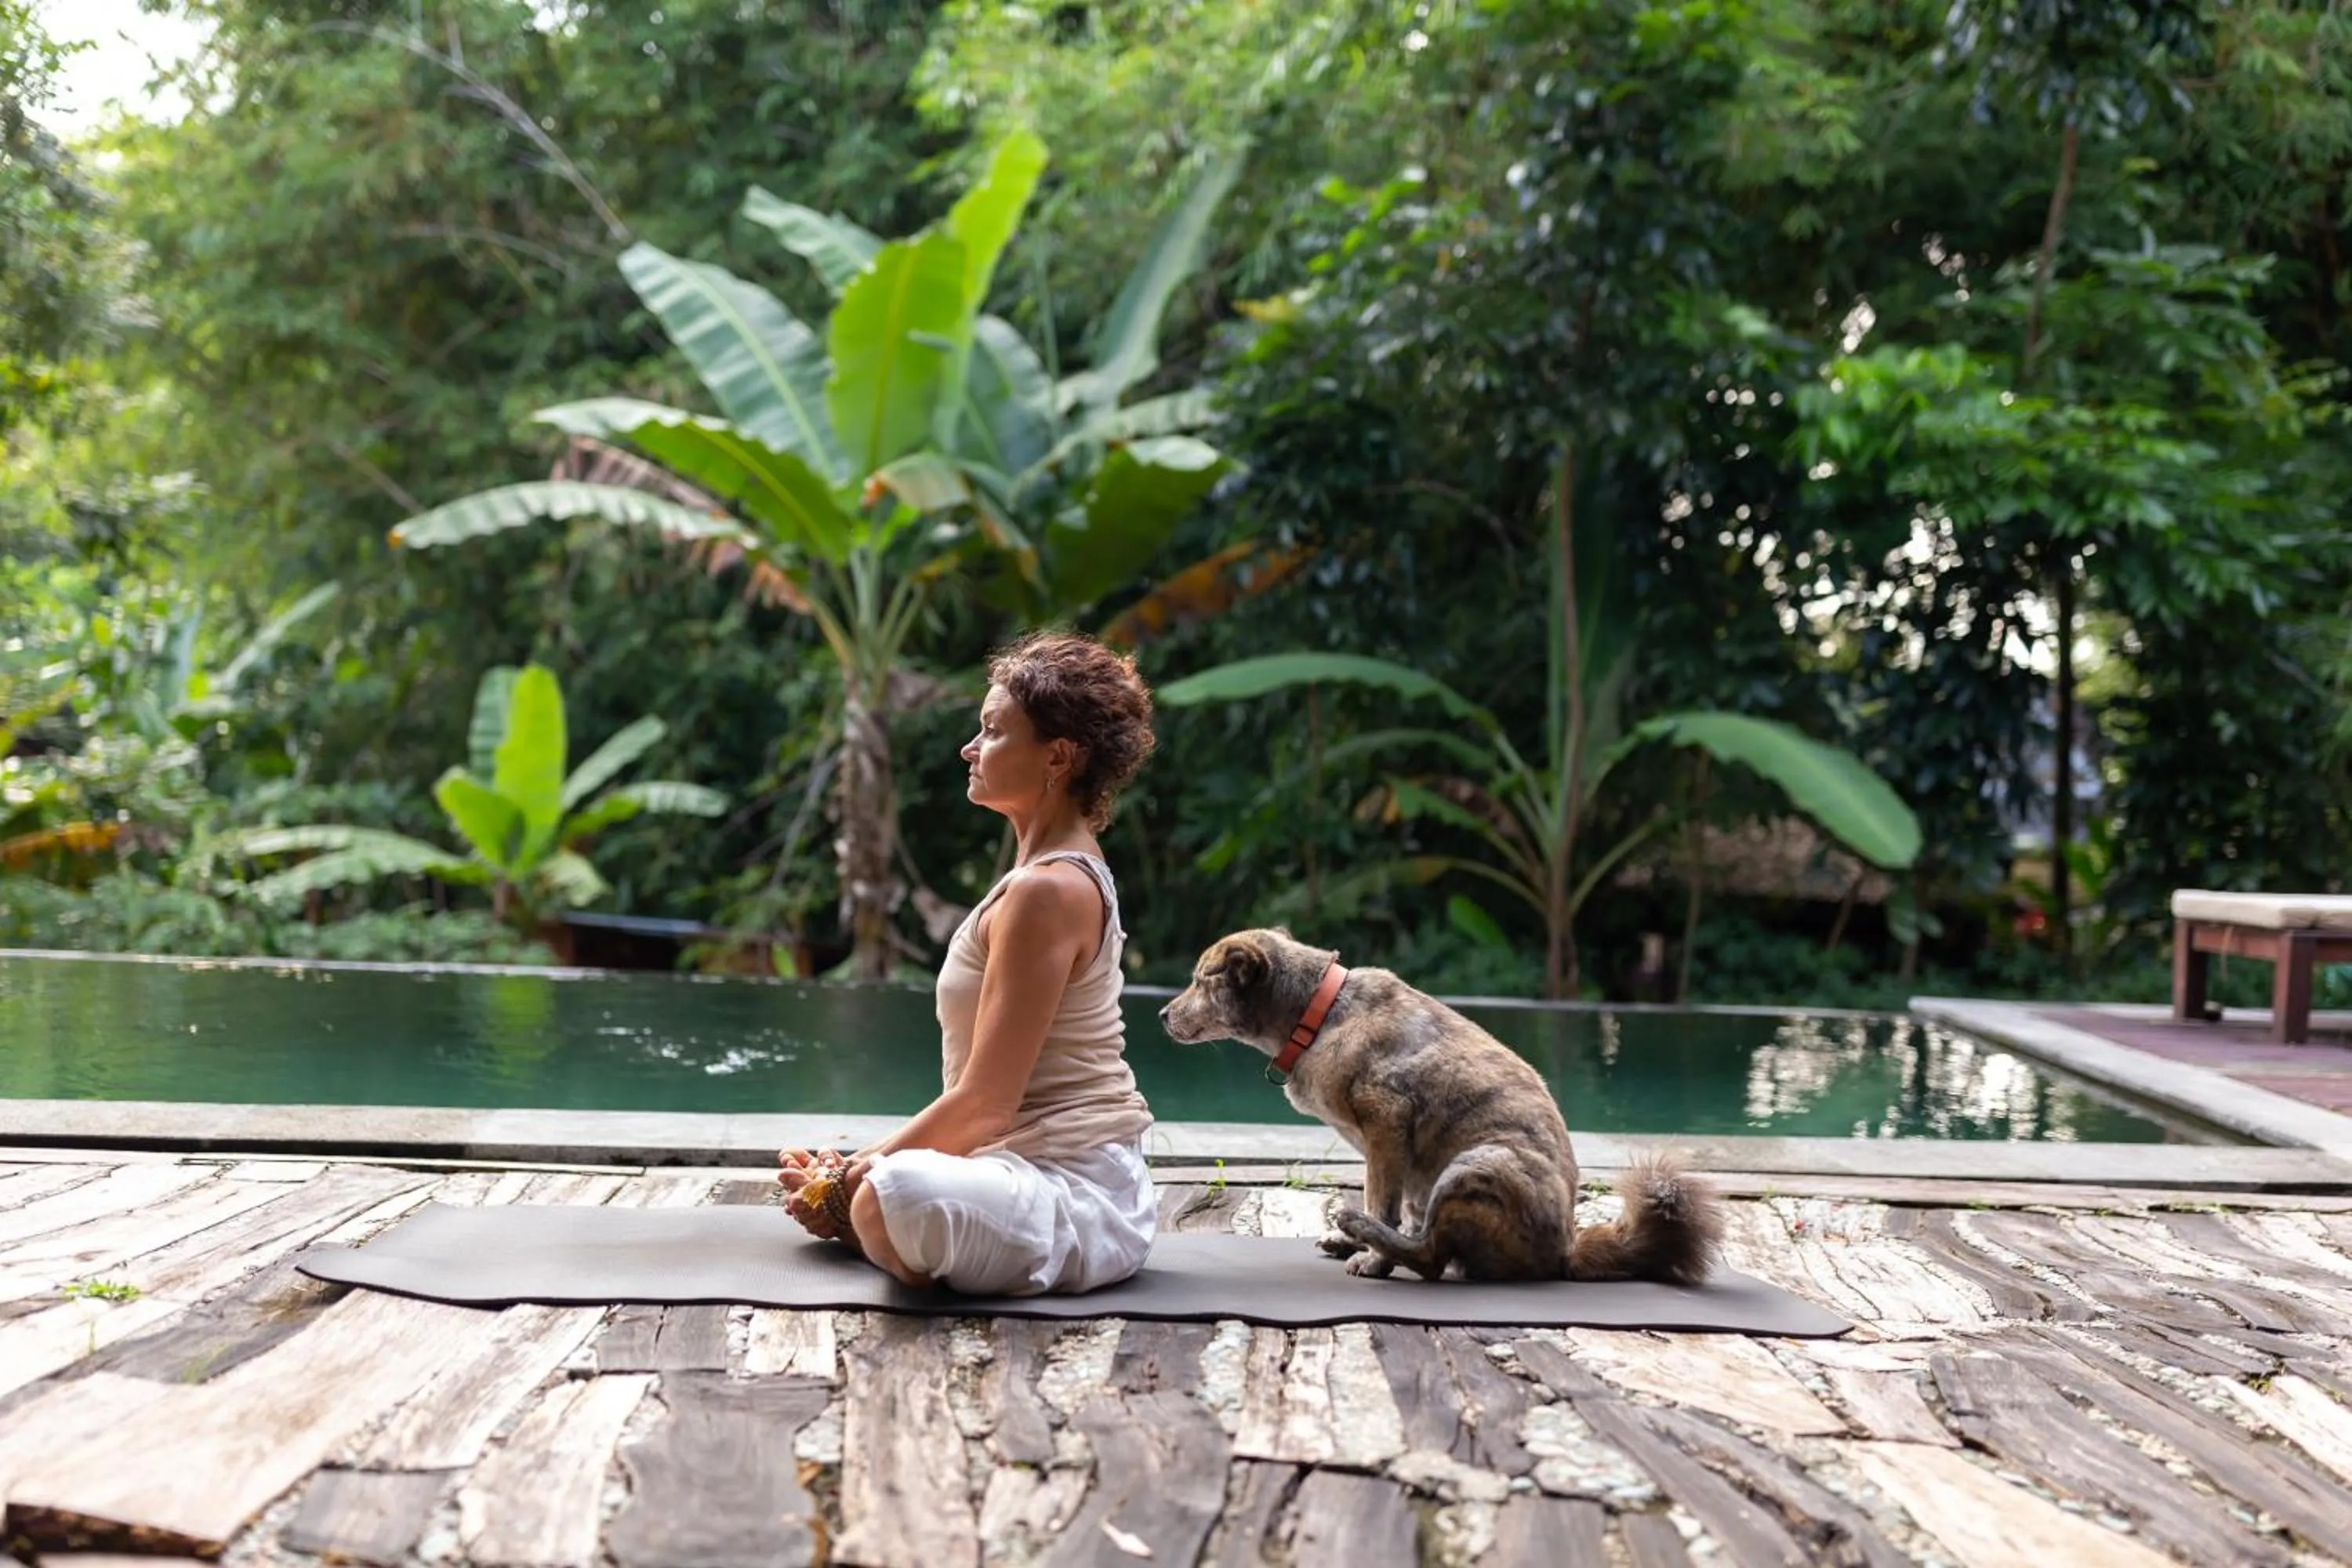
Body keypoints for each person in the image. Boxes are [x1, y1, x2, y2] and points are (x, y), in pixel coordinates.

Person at [775, 630, 1160, 1295]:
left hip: (1075, 1195)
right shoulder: (1042, 875)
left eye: (992, 730)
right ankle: (872, 1214)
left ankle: (870, 1218)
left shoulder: (1049, 889)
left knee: (891, 1195)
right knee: (885, 1189)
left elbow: (985, 1105)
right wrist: (851, 1168)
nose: (970, 747)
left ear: (1058, 757)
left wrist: (845, 1187)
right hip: (1022, 1173)